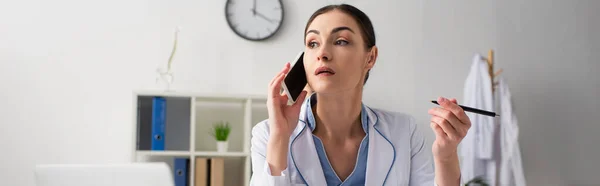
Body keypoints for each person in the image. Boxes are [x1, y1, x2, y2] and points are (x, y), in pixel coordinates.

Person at [250, 4, 471, 186]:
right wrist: (280, 137)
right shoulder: (268, 134)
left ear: (370, 57)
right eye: (313, 43)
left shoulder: (404, 131)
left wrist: (446, 155)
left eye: (341, 41)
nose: (323, 54)